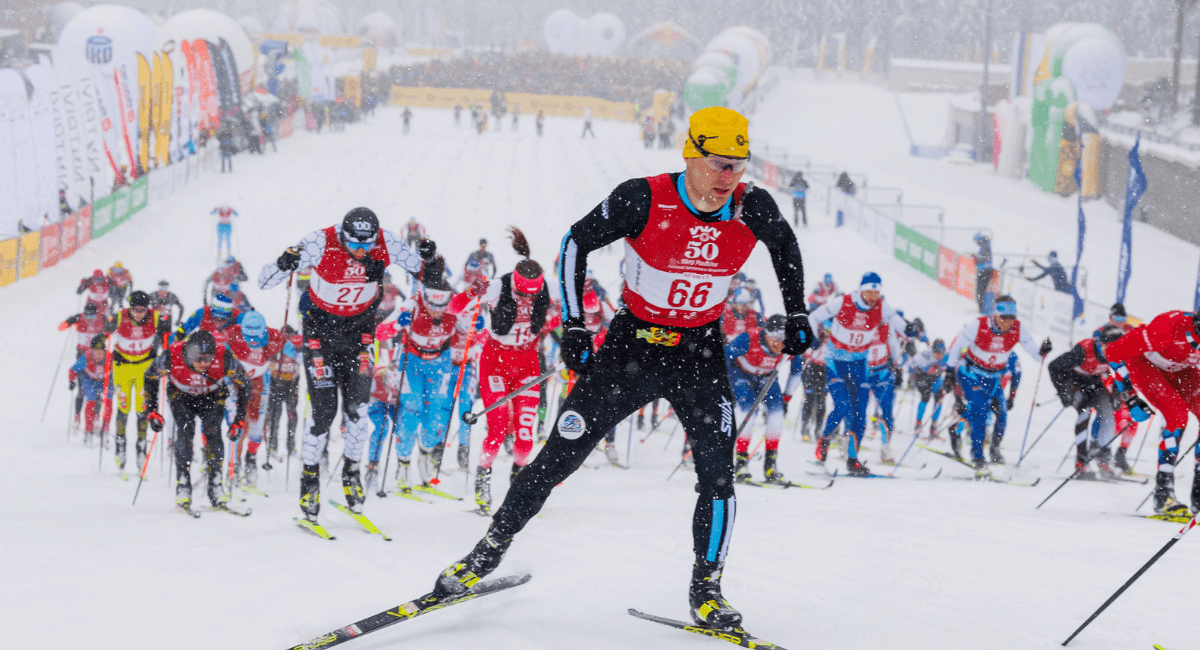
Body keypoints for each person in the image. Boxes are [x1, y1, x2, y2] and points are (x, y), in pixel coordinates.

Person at [431, 107, 812, 631]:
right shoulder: (645, 196)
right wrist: (576, 326)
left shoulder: (752, 205)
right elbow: (573, 244)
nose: (730, 178)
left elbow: (786, 247)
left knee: (719, 475)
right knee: (558, 459)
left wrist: (796, 313)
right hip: (630, 350)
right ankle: (486, 553)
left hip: (698, 354)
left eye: (739, 166)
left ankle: (707, 590)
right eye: (721, 164)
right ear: (692, 155)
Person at [257, 207, 436, 523]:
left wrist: (430, 258)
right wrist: (282, 264)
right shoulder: (319, 242)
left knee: (358, 412)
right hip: (321, 337)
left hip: (360, 337)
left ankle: (352, 474)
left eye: (367, 246)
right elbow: (264, 281)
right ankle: (309, 480)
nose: (361, 251)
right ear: (343, 235)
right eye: (354, 244)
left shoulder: (387, 242)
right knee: (323, 414)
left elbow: (427, 275)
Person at [472, 228, 556, 513]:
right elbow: (459, 304)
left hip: (527, 362)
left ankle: (518, 485)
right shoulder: (498, 285)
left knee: (524, 439)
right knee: (496, 431)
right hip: (495, 360)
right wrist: (474, 292)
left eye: (531, 295)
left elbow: (569, 307)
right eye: (522, 293)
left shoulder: (548, 287)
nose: (527, 300)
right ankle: (483, 476)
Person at [808, 272, 912, 476]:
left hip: (859, 364)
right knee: (842, 406)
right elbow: (814, 317)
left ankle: (852, 459)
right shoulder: (843, 302)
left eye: (876, 291)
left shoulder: (881, 306)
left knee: (860, 413)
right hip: (836, 362)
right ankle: (824, 441)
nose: (873, 296)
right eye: (869, 291)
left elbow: (899, 323)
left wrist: (911, 329)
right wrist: (813, 337)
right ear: (861, 290)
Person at [1104, 310, 1200, 515]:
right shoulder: (1166, 329)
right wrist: (1130, 397)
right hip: (1146, 366)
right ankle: (1163, 493)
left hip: (1181, 368)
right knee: (1177, 414)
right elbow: (1113, 352)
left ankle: (1198, 494)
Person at [144, 330, 251, 512]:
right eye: (198, 359)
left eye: (208, 359)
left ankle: (216, 485)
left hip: (211, 394)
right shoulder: (172, 355)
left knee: (214, 434)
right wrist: (152, 411)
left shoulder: (224, 355)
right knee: (185, 433)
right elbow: (150, 377)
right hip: (181, 395)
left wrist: (239, 419)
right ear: (187, 353)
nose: (203, 364)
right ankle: (183, 485)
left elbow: (245, 384)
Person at [943, 296, 1051, 476]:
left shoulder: (1019, 328)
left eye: (1012, 317)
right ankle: (978, 457)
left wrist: (1044, 350)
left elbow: (1036, 355)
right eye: (1004, 317)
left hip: (994, 378)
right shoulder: (978, 325)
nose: (1008, 322)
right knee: (980, 411)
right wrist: (948, 371)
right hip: (971, 372)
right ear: (995, 315)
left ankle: (967, 434)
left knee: (1001, 415)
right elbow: (957, 347)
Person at [381, 279, 461, 492]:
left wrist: (479, 325)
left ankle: (425, 458)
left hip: (440, 362)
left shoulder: (457, 304)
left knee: (435, 416)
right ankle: (403, 465)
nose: (436, 311)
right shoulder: (412, 304)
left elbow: (481, 333)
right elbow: (380, 333)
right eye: (431, 306)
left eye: (441, 307)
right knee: (410, 410)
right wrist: (398, 323)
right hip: (412, 362)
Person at [105, 290, 169, 475]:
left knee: (143, 409)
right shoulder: (120, 317)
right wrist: (101, 337)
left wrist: (167, 331)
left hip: (145, 368)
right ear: (130, 307)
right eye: (135, 309)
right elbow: (104, 331)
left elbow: (169, 337)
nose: (139, 313)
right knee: (123, 408)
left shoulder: (155, 317)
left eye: (142, 310)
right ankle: (120, 444)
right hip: (122, 368)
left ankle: (141, 446)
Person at [726, 314, 795, 482]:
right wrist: (721, 385)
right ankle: (741, 462)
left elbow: (797, 371)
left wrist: (787, 396)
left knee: (777, 415)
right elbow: (723, 357)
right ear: (765, 333)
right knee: (749, 410)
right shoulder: (749, 338)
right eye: (774, 338)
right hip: (741, 373)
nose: (779, 343)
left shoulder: (790, 346)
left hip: (767, 377)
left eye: (783, 338)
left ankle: (770, 465)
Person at [227, 311, 290, 486]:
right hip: (236, 383)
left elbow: (292, 349)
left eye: (257, 336)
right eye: (248, 336)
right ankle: (235, 464)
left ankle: (251, 459)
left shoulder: (275, 336)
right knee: (236, 425)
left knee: (256, 429)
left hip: (259, 384)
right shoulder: (232, 333)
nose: (253, 341)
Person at [865, 320, 905, 464]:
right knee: (857, 409)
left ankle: (885, 447)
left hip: (882, 373)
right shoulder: (861, 323)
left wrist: (899, 368)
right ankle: (847, 442)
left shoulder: (886, 326)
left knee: (887, 410)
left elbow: (895, 347)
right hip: (863, 372)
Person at [69, 334, 113, 443]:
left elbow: (121, 369)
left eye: (101, 353)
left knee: (108, 402)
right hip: (89, 380)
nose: (98, 355)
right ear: (92, 351)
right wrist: (71, 381)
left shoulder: (110, 358)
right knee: (91, 401)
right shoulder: (86, 357)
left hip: (106, 380)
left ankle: (105, 429)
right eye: (96, 352)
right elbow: (73, 370)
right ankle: (88, 430)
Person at [910, 339, 950, 437]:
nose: (939, 356)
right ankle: (918, 424)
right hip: (922, 376)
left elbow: (954, 368)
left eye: (942, 353)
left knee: (939, 398)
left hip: (936, 377)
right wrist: (914, 376)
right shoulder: (925, 355)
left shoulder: (947, 357)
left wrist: (950, 382)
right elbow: (911, 364)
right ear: (933, 351)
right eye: (937, 353)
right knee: (925, 396)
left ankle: (933, 426)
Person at [798, 321, 831, 442]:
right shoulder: (816, 338)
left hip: (826, 371)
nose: (827, 333)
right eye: (826, 330)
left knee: (821, 400)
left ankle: (818, 429)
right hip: (812, 368)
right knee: (809, 399)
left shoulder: (834, 341)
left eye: (830, 331)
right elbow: (805, 353)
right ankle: (805, 427)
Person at [174, 293, 242, 346]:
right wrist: (179, 335)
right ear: (211, 312)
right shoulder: (202, 313)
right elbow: (186, 327)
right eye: (215, 318)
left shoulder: (237, 316)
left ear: (229, 316)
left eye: (222, 319)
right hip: (204, 352)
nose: (218, 322)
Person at [972, 233, 994, 313]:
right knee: (981, 290)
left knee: (981, 290)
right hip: (984, 270)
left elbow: (986, 258)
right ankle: (982, 307)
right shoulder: (984, 245)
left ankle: (982, 308)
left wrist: (977, 258)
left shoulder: (984, 246)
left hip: (984, 270)